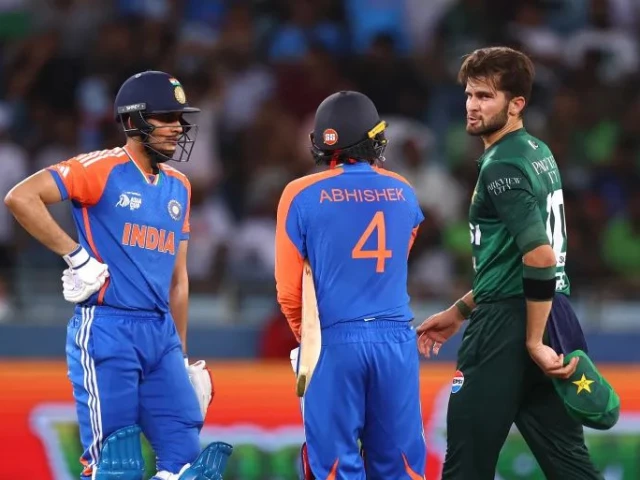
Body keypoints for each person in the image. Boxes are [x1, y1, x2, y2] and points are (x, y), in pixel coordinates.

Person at [4, 70, 232, 480]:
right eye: (166, 117)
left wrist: (180, 358)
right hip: (108, 329)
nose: (178, 127)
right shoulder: (101, 168)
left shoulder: (180, 186)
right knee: (114, 466)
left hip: (162, 337)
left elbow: (178, 281)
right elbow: (21, 197)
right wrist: (76, 256)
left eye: (180, 118)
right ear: (133, 120)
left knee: (189, 467)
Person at [416, 47, 614, 479]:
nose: (472, 106)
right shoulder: (537, 151)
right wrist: (461, 310)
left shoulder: (500, 165)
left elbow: (540, 255)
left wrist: (532, 341)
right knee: (570, 466)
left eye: (486, 96)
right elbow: (514, 261)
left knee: (466, 466)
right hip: (552, 314)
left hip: (508, 328)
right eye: (469, 95)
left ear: (516, 104)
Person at [275, 90, 427, 479]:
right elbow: (399, 258)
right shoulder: (404, 191)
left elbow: (289, 292)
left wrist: (310, 342)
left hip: (332, 340)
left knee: (335, 469)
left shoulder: (298, 194)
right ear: (372, 139)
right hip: (395, 340)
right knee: (401, 469)